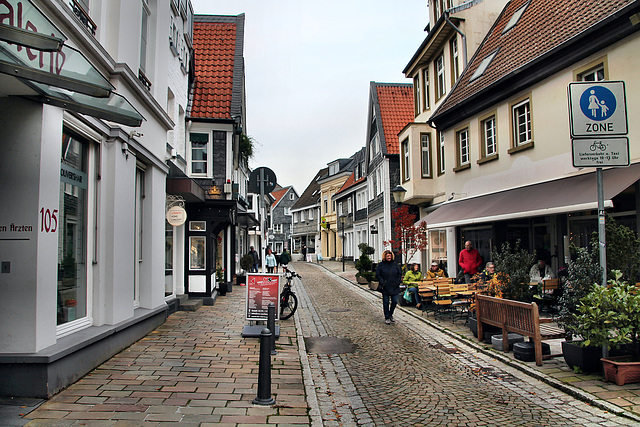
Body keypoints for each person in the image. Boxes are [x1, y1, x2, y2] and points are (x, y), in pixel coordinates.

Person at [375, 250, 403, 325]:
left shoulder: (395, 265)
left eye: (390, 256)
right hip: (385, 286)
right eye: (387, 256)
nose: (389, 257)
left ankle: (390, 314)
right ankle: (387, 317)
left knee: (394, 301)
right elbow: (378, 274)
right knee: (386, 302)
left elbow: (399, 274)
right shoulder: (381, 265)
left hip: (394, 286)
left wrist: (398, 281)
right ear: (385, 257)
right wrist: (382, 281)